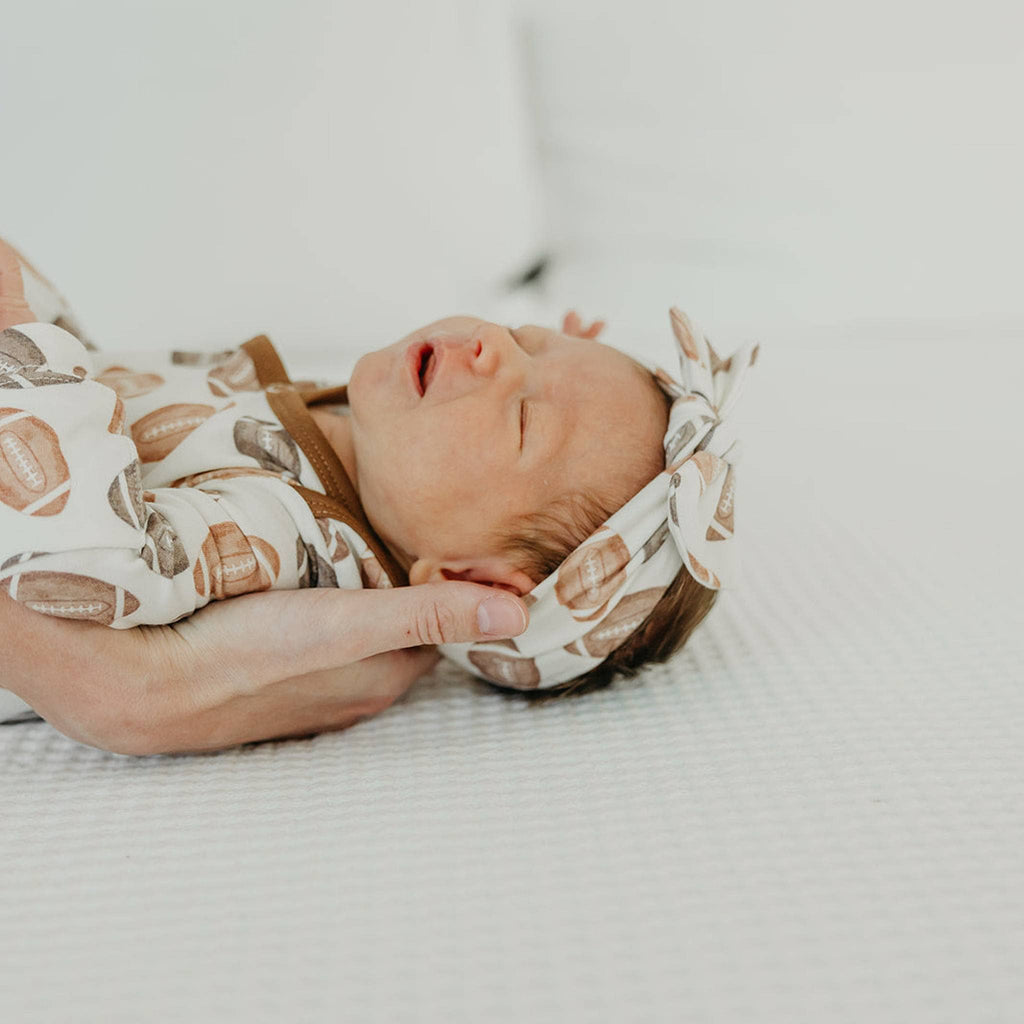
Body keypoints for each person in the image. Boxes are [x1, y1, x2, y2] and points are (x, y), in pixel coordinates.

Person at [0, 235, 759, 753]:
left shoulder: (294, 533)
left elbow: (87, 561)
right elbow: (105, 392)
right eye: (530, 340)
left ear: (468, 580)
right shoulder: (353, 441)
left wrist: (17, 321)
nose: (492, 346)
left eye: (526, 419)